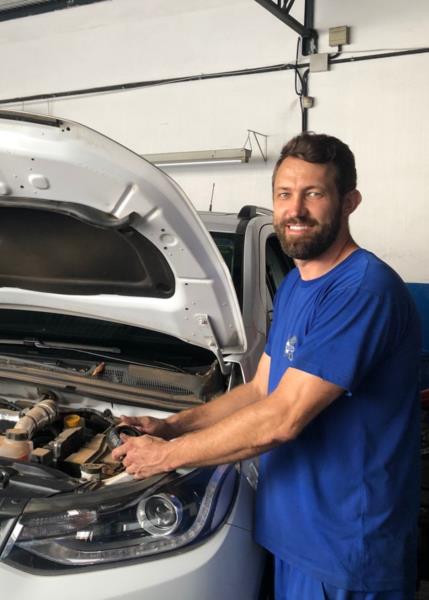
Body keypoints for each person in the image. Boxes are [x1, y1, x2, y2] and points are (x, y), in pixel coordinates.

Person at [113, 133, 420, 598]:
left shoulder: (362, 289)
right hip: (293, 537)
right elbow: (261, 390)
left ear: (349, 202)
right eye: (284, 194)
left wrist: (168, 456)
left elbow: (283, 418)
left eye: (313, 194)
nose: (294, 209)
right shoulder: (298, 285)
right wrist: (172, 427)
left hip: (344, 552)